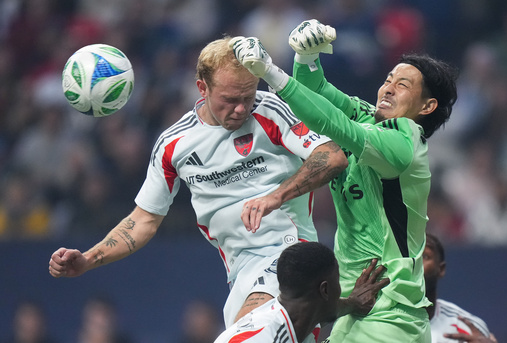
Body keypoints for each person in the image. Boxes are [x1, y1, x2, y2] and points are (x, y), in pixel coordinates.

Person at [48, 36, 348, 330]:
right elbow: (144, 220)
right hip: (240, 273)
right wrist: (89, 259)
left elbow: (331, 157)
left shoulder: (270, 110)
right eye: (230, 100)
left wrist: (276, 197)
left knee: (249, 334)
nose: (242, 108)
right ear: (202, 88)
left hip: (290, 256)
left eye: (248, 96)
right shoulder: (174, 144)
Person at [230, 18, 458, 342]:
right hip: (355, 305)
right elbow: (318, 92)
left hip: (392, 314)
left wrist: (271, 72)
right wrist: (306, 59)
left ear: (428, 106)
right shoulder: (370, 116)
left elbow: (334, 124)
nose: (389, 87)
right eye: (389, 79)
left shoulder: (405, 143)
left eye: (403, 85)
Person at [214, 241, 390, 343]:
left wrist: (353, 302)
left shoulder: (294, 310)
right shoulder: (265, 337)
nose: (341, 290)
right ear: (325, 289)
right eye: (338, 281)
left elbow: (326, 308)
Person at [423, 233, 496, 343]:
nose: (414, 263)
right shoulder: (386, 322)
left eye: (424, 256)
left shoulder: (469, 329)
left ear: (441, 269)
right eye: (408, 256)